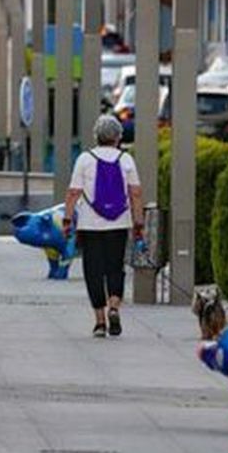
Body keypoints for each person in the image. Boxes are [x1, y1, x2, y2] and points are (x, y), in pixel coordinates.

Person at [62, 115, 143, 338]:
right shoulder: (126, 160)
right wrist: (138, 223)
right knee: (115, 267)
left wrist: (67, 219)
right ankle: (114, 306)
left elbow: (73, 192)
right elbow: (136, 193)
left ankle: (99, 322)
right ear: (118, 137)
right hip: (119, 223)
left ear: (96, 136)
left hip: (90, 225)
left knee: (93, 271)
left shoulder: (84, 159)